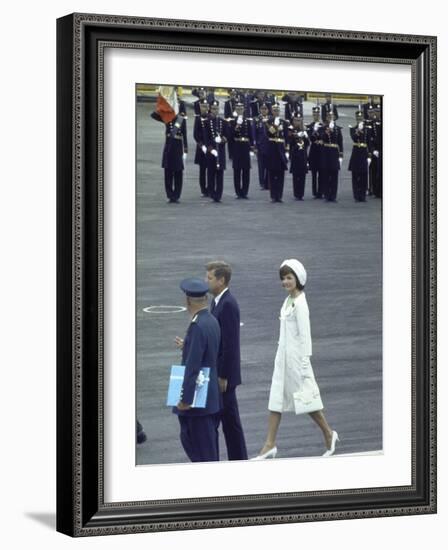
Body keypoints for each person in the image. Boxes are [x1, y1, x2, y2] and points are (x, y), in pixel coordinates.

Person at [253, 259, 339, 459]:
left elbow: (306, 336)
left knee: (307, 401)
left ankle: (328, 432)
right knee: (276, 399)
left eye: (289, 278)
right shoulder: (288, 300)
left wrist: (303, 362)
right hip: (282, 359)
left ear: (298, 279)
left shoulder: (300, 303)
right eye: (283, 278)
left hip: (297, 361)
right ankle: (270, 444)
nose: (285, 281)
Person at [173, 278, 221, 462]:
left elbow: (192, 368)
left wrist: (185, 400)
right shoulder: (211, 321)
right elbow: (210, 353)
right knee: (210, 451)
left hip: (198, 404)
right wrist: (188, 346)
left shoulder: (196, 327)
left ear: (187, 301)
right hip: (212, 399)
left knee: (201, 455)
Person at [206, 261, 248, 461]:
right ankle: (238, 459)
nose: (207, 281)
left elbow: (230, 345)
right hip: (218, 374)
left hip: (224, 378)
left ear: (221, 280)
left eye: (210, 278)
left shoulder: (228, 305)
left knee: (230, 422)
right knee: (228, 420)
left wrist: (223, 375)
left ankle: (239, 460)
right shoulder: (216, 302)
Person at [150, 112, 188, 203]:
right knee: (168, 172)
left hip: (178, 147)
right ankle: (170, 195)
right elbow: (153, 115)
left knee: (178, 172)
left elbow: (184, 134)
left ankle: (177, 195)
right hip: (169, 146)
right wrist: (162, 109)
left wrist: (185, 149)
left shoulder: (181, 119)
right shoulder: (167, 117)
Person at [227, 101, 255, 199]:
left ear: (243, 110)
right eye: (238, 109)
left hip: (245, 147)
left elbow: (251, 135)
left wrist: (252, 146)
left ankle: (245, 192)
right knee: (237, 171)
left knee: (246, 170)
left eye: (241, 109)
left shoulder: (247, 121)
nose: (240, 110)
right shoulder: (232, 121)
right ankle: (238, 192)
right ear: (235, 110)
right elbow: (230, 136)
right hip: (237, 147)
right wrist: (236, 126)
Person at [203, 100, 228, 202]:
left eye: (216, 109)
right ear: (210, 110)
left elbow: (227, 135)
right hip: (212, 151)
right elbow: (206, 138)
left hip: (220, 151)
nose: (215, 110)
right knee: (211, 173)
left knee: (220, 174)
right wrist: (211, 149)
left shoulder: (223, 122)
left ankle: (218, 194)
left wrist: (222, 140)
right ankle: (212, 193)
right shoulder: (207, 122)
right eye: (213, 109)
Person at [265, 103, 289, 203]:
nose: (276, 112)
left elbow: (286, 137)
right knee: (272, 174)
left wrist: (287, 150)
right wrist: (275, 125)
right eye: (274, 110)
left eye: (277, 110)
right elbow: (269, 133)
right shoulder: (268, 122)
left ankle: (279, 195)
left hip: (281, 150)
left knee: (280, 175)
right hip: (272, 149)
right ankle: (273, 195)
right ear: (272, 111)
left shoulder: (284, 122)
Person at [348, 110, 372, 202]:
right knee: (355, 175)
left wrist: (369, 154)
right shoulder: (353, 128)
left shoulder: (367, 129)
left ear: (363, 118)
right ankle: (356, 195)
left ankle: (362, 195)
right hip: (356, 153)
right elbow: (353, 138)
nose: (359, 119)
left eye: (360, 117)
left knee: (364, 175)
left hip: (364, 153)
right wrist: (358, 130)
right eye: (358, 118)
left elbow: (369, 142)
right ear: (356, 118)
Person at [320, 111, 343, 202]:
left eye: (331, 116)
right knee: (326, 175)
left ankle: (333, 195)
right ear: (326, 118)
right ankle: (327, 195)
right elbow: (322, 138)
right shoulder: (323, 128)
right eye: (328, 116)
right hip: (326, 152)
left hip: (334, 153)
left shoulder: (337, 129)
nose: (330, 117)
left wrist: (341, 154)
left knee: (334, 175)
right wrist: (327, 132)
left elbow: (340, 142)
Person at [288, 114, 309, 200]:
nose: (298, 122)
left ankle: (301, 194)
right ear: (293, 121)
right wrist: (295, 136)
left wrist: (305, 135)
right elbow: (290, 142)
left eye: (299, 120)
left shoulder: (304, 130)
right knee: (296, 176)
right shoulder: (291, 130)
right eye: (296, 120)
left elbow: (307, 144)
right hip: (295, 155)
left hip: (303, 156)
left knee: (302, 176)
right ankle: (296, 193)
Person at [306, 106, 324, 198]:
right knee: (313, 173)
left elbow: (324, 137)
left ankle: (320, 191)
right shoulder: (310, 126)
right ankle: (314, 192)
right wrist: (314, 131)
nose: (316, 115)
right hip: (313, 151)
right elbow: (310, 138)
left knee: (321, 173)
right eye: (314, 114)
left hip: (321, 151)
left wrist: (319, 134)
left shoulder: (323, 126)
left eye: (317, 114)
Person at [193, 98, 210, 197]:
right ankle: (203, 189)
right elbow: (195, 134)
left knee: (210, 170)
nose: (205, 108)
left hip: (210, 147)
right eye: (203, 106)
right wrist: (201, 145)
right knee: (202, 170)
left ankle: (210, 188)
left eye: (206, 106)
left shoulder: (211, 117)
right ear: (200, 107)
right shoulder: (198, 119)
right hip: (201, 148)